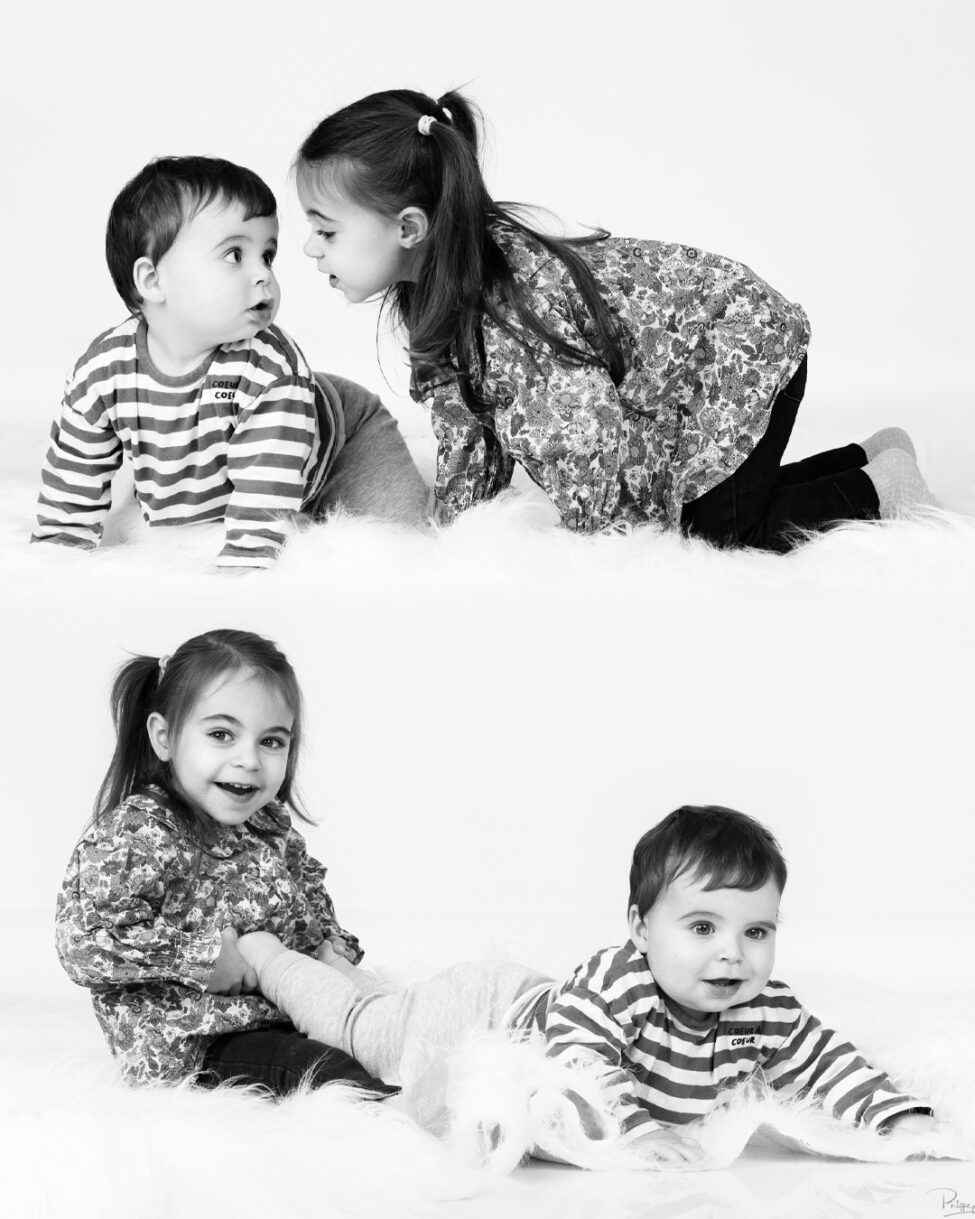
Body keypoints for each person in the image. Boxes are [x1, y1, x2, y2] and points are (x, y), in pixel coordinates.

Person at [291, 89, 935, 552]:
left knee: (718, 532)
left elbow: (581, 435)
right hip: (704, 346)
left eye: (325, 230)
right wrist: (457, 523)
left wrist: (613, 540)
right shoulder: (438, 292)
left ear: (409, 228)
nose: (310, 249)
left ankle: (879, 489)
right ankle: (868, 454)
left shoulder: (508, 309)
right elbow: (467, 419)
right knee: (702, 502)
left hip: (739, 344)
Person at [231, 805, 936, 1166]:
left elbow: (824, 1059)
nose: (733, 955)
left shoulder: (764, 1008)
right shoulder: (622, 984)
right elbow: (581, 1061)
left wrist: (894, 1118)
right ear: (639, 927)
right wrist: (637, 1132)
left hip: (532, 997)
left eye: (755, 931)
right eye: (701, 927)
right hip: (485, 1010)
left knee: (381, 997)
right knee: (368, 1024)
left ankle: (325, 948)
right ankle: (267, 953)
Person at [32, 156, 431, 570]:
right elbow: (74, 469)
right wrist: (59, 545)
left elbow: (264, 499)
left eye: (268, 256)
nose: (263, 274)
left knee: (401, 537)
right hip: (231, 444)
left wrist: (246, 559)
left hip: (345, 439)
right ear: (152, 281)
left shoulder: (269, 368)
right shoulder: (104, 371)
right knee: (172, 509)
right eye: (235, 255)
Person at [55, 628, 400, 1102]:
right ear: (164, 737)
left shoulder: (268, 825)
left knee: (386, 1026)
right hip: (194, 1046)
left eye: (272, 741)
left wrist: (328, 947)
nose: (249, 760)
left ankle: (469, 1078)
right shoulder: (138, 833)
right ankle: (401, 1111)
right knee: (320, 1071)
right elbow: (84, 942)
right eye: (221, 735)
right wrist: (200, 960)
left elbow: (309, 897)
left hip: (285, 1011)